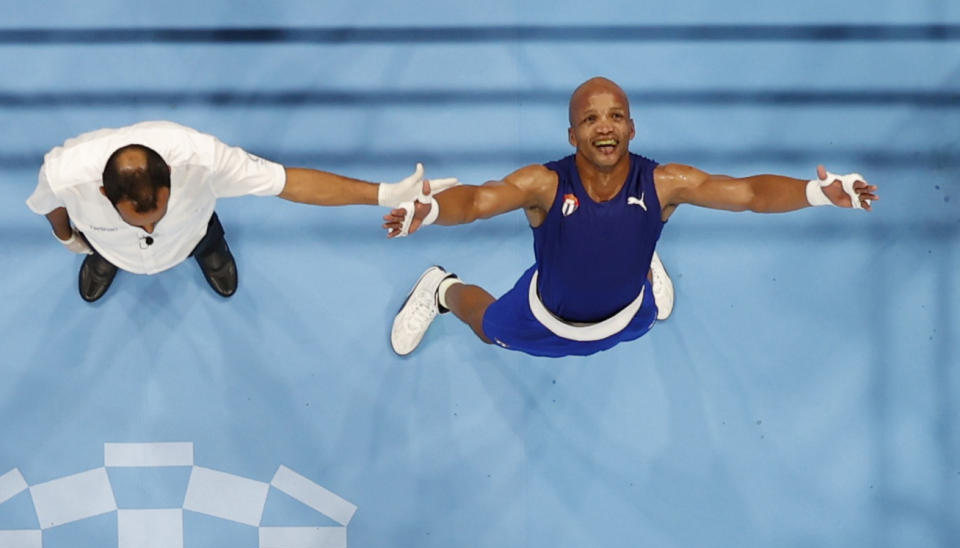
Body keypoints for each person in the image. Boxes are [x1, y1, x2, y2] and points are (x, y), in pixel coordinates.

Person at [384, 77, 879, 357]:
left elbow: (749, 193)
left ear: (632, 128)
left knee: (649, 305)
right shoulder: (545, 185)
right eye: (590, 119)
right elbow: (476, 202)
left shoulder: (665, 183)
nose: (605, 127)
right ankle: (441, 288)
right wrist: (430, 210)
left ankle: (643, 263)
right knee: (488, 327)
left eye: (616, 116)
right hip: (546, 317)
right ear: (572, 135)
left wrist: (816, 191)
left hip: (627, 311)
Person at [27, 120, 452, 302]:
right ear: (103, 191)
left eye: (158, 213)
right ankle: (106, 257)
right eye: (139, 221)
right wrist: (67, 238)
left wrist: (383, 194)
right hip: (103, 242)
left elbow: (291, 182)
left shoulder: (205, 160)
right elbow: (50, 207)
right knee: (100, 247)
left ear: (171, 180)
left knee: (205, 236)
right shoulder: (65, 173)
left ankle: (209, 251)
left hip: (194, 231)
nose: (152, 226)